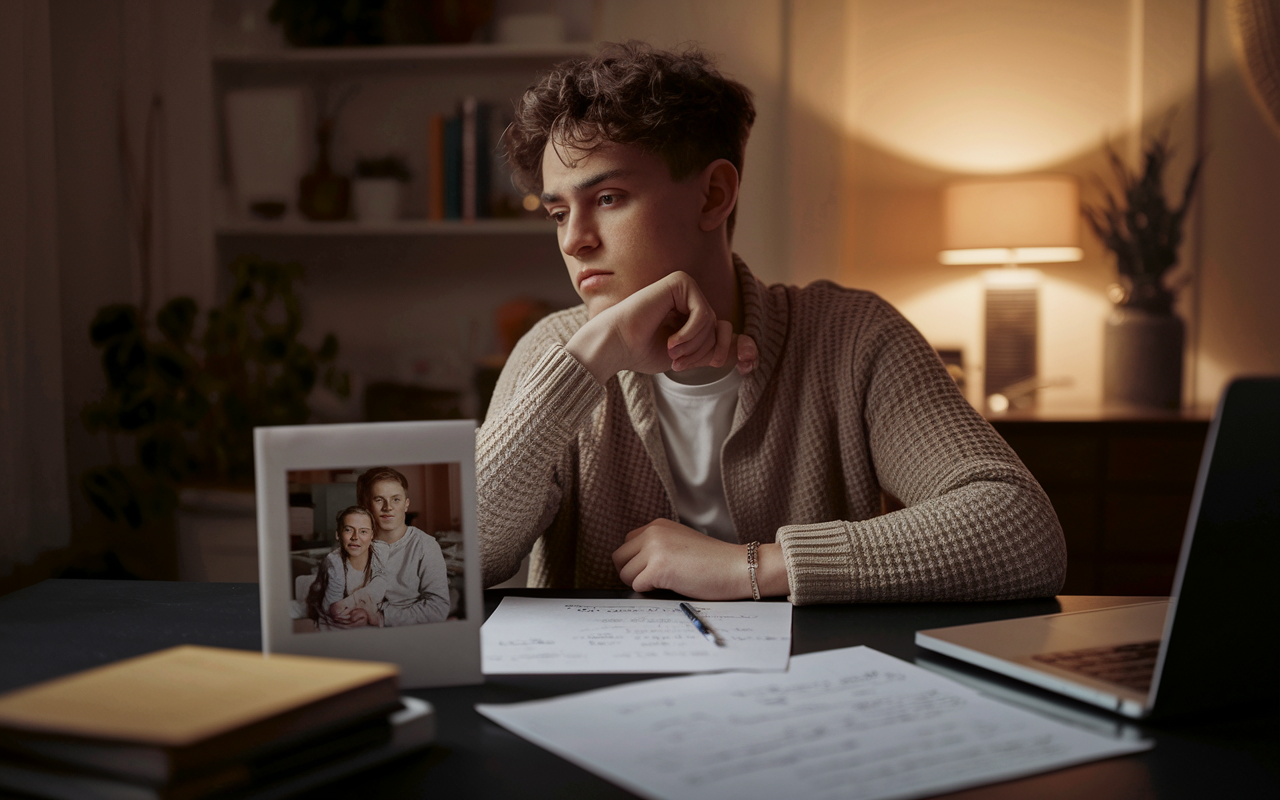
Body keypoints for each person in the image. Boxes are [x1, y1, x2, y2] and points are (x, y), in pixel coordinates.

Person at [478, 42, 1066, 605]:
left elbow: (1022, 533)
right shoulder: (558, 353)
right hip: (596, 700)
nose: (575, 240)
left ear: (714, 195)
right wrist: (592, 357)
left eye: (607, 198)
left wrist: (749, 567)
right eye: (558, 212)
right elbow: (447, 563)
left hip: (809, 690)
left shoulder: (853, 337)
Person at [357, 467, 451, 625]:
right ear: (366, 506)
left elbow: (438, 608)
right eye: (379, 499)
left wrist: (382, 617)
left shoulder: (425, 545)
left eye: (396, 499)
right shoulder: (357, 545)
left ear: (406, 504)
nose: (388, 507)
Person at [304, 506, 383, 630]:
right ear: (338, 535)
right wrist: (364, 612)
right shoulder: (334, 563)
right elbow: (334, 610)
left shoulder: (379, 556)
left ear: (372, 535)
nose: (355, 537)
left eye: (363, 531)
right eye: (348, 530)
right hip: (333, 618)